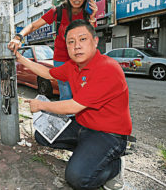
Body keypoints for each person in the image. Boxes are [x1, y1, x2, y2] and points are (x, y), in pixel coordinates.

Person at [8, 19, 132, 190]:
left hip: (109, 135)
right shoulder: (73, 65)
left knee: (76, 178)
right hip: (83, 125)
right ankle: (88, 153)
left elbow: (74, 106)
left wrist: (41, 105)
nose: (77, 46)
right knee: (42, 136)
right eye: (71, 42)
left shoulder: (107, 68)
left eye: (82, 39)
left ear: (95, 42)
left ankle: (114, 166)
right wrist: (20, 58)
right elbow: (48, 72)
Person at [9, 0, 98, 101]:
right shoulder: (58, 12)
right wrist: (18, 37)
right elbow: (33, 26)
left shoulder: (88, 15)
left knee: (83, 93)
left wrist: (92, 17)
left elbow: (90, 42)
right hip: (61, 59)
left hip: (80, 59)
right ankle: (68, 119)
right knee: (66, 94)